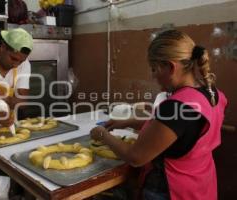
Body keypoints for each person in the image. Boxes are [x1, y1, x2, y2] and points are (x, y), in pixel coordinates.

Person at [90, 30, 227, 200]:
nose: (153, 75)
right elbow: (177, 133)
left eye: (154, 69)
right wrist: (128, 122)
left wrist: (102, 135)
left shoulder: (175, 107)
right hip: (200, 185)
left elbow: (136, 157)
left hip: (171, 190)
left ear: (170, 67)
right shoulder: (212, 93)